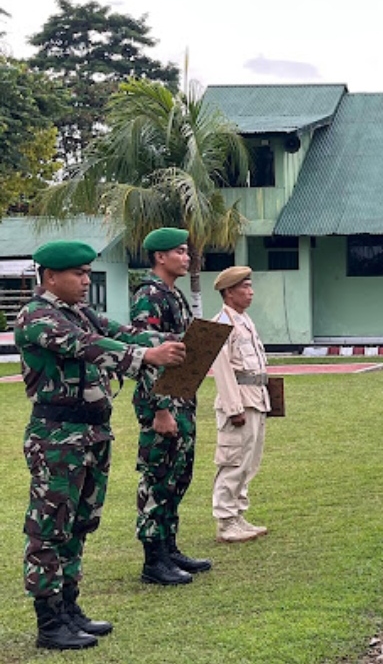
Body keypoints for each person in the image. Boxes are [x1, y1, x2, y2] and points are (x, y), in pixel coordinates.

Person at [15, 240, 186, 650]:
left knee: (78, 526)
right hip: (57, 437)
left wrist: (173, 341)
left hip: (92, 434)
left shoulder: (79, 312)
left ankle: (69, 607)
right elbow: (85, 345)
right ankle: (49, 621)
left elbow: (121, 332)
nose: (85, 281)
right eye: (78, 274)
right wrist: (146, 356)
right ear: (50, 276)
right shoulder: (37, 316)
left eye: (88, 273)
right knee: (50, 528)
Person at [130, 227, 211, 584]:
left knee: (178, 477)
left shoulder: (174, 295)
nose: (186, 257)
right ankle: (153, 560)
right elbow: (148, 357)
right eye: (179, 251)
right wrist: (160, 410)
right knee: (158, 479)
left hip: (181, 397)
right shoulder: (149, 296)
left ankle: (169, 548)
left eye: (186, 251)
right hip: (162, 404)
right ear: (160, 257)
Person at [209, 266, 271, 543]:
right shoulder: (221, 323)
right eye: (244, 287)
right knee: (233, 461)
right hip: (238, 403)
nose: (251, 292)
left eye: (250, 286)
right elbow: (222, 370)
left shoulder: (244, 320)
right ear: (229, 292)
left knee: (248, 462)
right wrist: (234, 409)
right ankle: (226, 521)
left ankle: (237, 514)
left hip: (255, 398)